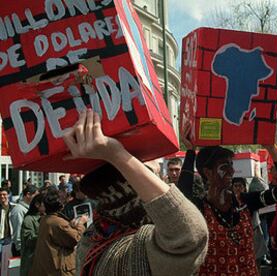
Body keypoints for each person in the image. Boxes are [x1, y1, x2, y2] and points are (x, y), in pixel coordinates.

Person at [62, 110, 208, 275]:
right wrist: (117, 155)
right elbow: (191, 234)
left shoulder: (93, 239)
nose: (159, 172)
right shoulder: (142, 251)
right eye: (146, 170)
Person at [178, 124, 277, 275]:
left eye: (231, 165)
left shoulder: (246, 202)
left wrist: (271, 147)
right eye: (224, 166)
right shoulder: (199, 208)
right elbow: (181, 195)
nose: (232, 170)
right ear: (207, 173)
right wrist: (190, 151)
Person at [30, 188, 87, 276]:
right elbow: (76, 239)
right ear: (60, 206)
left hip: (47, 267)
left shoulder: (45, 219)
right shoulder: (57, 223)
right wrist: (80, 223)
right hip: (57, 269)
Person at [20, 194, 45, 276]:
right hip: (31, 263)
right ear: (37, 205)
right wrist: (44, 235)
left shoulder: (44, 217)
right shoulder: (29, 219)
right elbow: (29, 240)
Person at [10, 185, 39, 256]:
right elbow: (18, 231)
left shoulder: (29, 209)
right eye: (36, 196)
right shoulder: (19, 210)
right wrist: (20, 249)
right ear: (28, 194)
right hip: (22, 249)